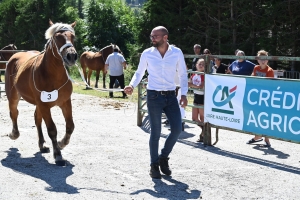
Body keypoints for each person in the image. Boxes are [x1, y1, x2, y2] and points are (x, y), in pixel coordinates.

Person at [124, 26, 188, 179]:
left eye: (156, 36)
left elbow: (184, 74)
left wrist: (184, 94)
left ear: (165, 37)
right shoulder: (147, 53)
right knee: (156, 132)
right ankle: (154, 166)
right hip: (153, 96)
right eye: (152, 36)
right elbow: (139, 72)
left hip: (172, 96)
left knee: (177, 129)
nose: (152, 38)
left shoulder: (177, 53)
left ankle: (163, 157)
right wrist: (132, 85)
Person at [246, 50, 274, 147]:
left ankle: (267, 139)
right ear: (258, 60)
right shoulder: (256, 68)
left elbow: (269, 86)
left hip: (266, 98)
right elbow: (252, 79)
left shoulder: (269, 71)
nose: (263, 61)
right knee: (256, 116)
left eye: (265, 59)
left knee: (265, 117)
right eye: (261, 59)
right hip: (256, 97)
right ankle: (257, 136)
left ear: (267, 60)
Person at [188, 59, 205, 142]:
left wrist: (192, 85)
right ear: (196, 65)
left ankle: (204, 134)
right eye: (199, 64)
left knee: (202, 117)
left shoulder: (203, 75)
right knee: (194, 118)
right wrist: (192, 85)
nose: (201, 65)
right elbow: (190, 83)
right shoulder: (193, 73)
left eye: (203, 64)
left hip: (202, 96)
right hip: (196, 96)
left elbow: (201, 86)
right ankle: (205, 131)